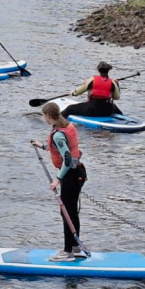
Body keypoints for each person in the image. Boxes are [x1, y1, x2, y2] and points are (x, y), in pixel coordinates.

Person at [30, 102, 87, 262]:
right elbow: (58, 147)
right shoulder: (66, 125)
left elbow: (67, 158)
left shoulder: (58, 134)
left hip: (71, 175)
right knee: (71, 211)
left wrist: (58, 179)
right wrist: (42, 146)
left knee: (67, 212)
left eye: (44, 115)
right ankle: (75, 247)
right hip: (78, 173)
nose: (44, 118)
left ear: (48, 116)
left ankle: (67, 251)